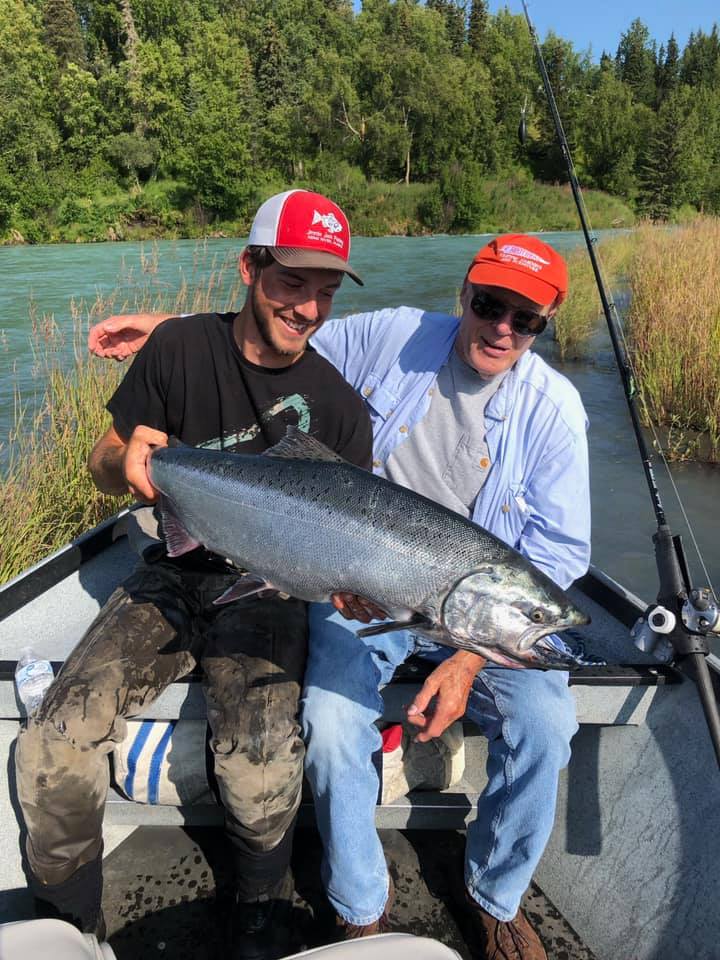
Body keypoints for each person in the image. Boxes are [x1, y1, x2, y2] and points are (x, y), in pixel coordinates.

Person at [89, 235, 590, 960]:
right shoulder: (397, 336)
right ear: (464, 295)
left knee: (547, 726)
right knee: (329, 714)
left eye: (526, 318)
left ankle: (497, 898)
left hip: (485, 621)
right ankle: (359, 907)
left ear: (544, 324)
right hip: (358, 590)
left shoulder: (557, 410)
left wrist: (470, 662)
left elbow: (562, 553)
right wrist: (166, 327)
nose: (502, 328)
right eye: (488, 305)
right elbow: (282, 328)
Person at [16, 189, 373, 960]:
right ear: (249, 268)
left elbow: (347, 569)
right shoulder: (176, 351)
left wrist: (352, 589)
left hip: (273, 589)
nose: (308, 307)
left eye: (326, 290)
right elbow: (103, 464)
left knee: (260, 766)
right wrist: (127, 462)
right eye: (291, 282)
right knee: (50, 747)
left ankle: (257, 915)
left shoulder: (341, 410)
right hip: (173, 571)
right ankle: (72, 927)